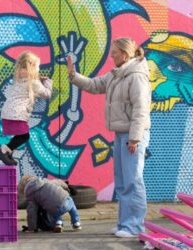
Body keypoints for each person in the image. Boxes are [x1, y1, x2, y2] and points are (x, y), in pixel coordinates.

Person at [67, 37, 151, 237]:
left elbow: (141, 109)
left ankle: (134, 226)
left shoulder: (136, 76)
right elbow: (94, 85)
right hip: (121, 134)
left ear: (125, 53)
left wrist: (135, 138)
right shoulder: (116, 74)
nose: (111, 55)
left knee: (133, 181)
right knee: (122, 182)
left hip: (133, 136)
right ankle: (124, 224)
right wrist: (73, 75)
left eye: (114, 52)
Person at [0, 51, 53, 165]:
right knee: (24, 136)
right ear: (32, 66)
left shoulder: (18, 80)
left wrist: (38, 81)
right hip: (17, 114)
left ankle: (7, 152)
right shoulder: (33, 82)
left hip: (7, 113)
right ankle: (4, 150)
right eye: (37, 67)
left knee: (21, 135)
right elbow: (46, 94)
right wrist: (47, 82)